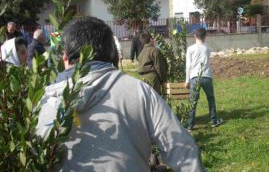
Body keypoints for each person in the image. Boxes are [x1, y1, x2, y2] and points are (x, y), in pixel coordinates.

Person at [36, 16, 204, 171]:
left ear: (65, 56)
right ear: (113, 54)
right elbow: (182, 150)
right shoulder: (140, 92)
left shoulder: (47, 101)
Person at [185, 28, 223, 131]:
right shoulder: (207, 48)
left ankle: (189, 125)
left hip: (194, 77)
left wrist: (187, 80)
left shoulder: (190, 49)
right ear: (205, 36)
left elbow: (188, 66)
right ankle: (214, 120)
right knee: (211, 99)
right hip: (206, 77)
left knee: (193, 101)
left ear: (194, 36)